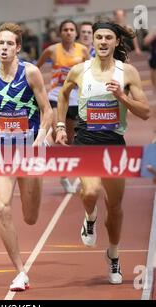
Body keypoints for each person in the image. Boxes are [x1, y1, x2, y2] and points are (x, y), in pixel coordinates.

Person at [55, 21, 150, 284]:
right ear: (93, 42)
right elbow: (62, 96)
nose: (104, 41)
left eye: (109, 37)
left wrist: (122, 96)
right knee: (90, 192)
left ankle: (114, 255)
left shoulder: (127, 72)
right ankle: (90, 217)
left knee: (116, 207)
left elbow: (145, 112)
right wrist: (61, 126)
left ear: (117, 42)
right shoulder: (79, 71)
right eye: (99, 37)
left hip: (114, 142)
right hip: (85, 139)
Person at [0, 22, 52, 291]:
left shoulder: (31, 73)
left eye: (9, 44)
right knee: (2, 207)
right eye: (0, 43)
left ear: (17, 48)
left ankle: (36, 181)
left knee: (30, 217)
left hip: (29, 148)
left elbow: (46, 111)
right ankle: (20, 271)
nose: (4, 48)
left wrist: (40, 140)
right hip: (2, 149)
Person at [37, 20, 90, 193]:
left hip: (75, 99)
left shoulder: (83, 50)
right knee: (58, 134)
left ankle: (66, 172)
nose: (68, 32)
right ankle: (49, 139)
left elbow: (91, 70)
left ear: (76, 33)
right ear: (60, 33)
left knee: (70, 139)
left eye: (71, 29)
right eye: (65, 30)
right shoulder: (52, 50)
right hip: (56, 96)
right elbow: (35, 69)